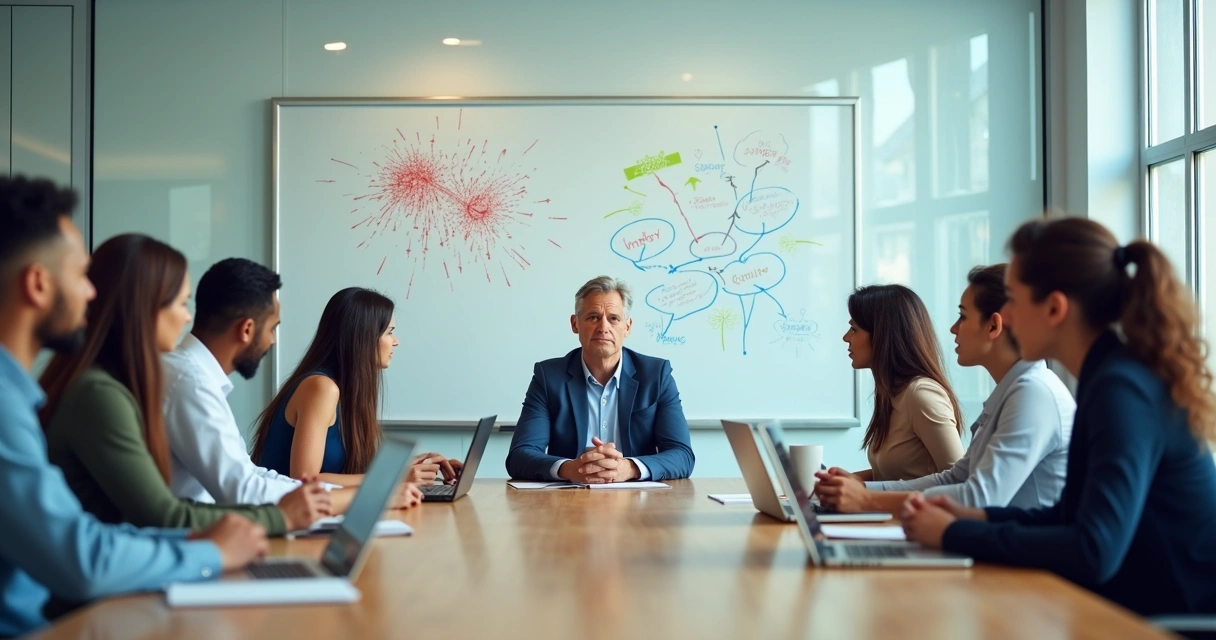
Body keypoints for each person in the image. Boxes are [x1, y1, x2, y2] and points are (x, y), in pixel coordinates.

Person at [902, 218, 1216, 618]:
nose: (1006, 316)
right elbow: (1067, 517)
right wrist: (976, 518)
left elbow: (1093, 550)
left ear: (1054, 308)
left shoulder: (1120, 388)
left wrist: (955, 533)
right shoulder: (1108, 376)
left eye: (1014, 300)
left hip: (1173, 622)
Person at [0, 175, 265, 637]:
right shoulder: (15, 405)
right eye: (80, 275)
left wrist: (200, 540)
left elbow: (85, 534)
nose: (91, 294)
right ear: (38, 284)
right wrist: (211, 552)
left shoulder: (19, 398)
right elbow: (81, 560)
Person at [39, 234, 334, 535]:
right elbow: (164, 514)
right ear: (145, 308)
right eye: (181, 303)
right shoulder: (101, 394)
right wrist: (282, 517)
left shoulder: (111, 385)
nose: (186, 317)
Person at [161, 258, 422, 512]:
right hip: (199, 532)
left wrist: (381, 486)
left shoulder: (194, 379)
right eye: (272, 329)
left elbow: (253, 474)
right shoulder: (191, 383)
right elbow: (243, 490)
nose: (273, 341)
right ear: (247, 330)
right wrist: (374, 495)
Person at [815, 264, 1074, 513]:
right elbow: (955, 478)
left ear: (994, 326)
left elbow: (979, 498)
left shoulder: (1033, 395)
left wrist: (867, 499)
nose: (953, 328)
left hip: (1020, 545)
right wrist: (863, 490)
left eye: (963, 316)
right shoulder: (1013, 393)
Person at [506, 276, 694, 482]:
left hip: (637, 496)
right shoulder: (549, 377)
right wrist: (570, 469)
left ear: (627, 327)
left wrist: (629, 468)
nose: (603, 327)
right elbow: (519, 456)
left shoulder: (656, 375)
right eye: (593, 317)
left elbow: (682, 455)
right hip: (569, 497)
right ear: (575, 324)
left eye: (613, 318)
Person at [250, 287, 436, 497]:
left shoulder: (344, 390)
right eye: (389, 332)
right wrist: (393, 477)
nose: (396, 341)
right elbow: (303, 480)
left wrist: (406, 469)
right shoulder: (321, 387)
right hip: (282, 514)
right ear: (363, 336)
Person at [841, 284, 964, 481]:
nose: (846, 338)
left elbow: (958, 480)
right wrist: (846, 481)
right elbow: (891, 475)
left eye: (854, 329)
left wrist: (864, 491)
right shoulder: (892, 393)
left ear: (883, 334)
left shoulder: (922, 394)